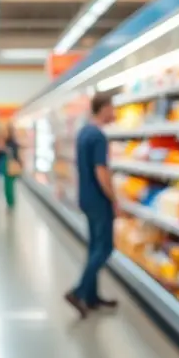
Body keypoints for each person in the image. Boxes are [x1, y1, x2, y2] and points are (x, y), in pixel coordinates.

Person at [65, 93, 120, 317]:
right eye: (112, 107)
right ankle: (78, 292)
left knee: (94, 247)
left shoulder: (83, 132)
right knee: (105, 247)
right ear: (104, 108)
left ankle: (92, 296)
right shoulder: (98, 136)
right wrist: (114, 198)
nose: (114, 112)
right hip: (99, 200)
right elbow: (101, 171)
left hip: (86, 197)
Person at [0, 123, 21, 209]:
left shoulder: (11, 142)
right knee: (8, 184)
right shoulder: (8, 141)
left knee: (9, 184)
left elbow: (14, 154)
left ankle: (10, 201)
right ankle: (10, 200)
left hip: (10, 165)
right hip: (8, 165)